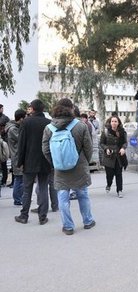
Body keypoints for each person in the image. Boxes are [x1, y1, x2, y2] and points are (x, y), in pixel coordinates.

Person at [42, 98, 95, 235]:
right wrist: (84, 161)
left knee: (63, 196)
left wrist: (56, 163)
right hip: (79, 166)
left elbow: (45, 150)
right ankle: (88, 221)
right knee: (82, 194)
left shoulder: (49, 128)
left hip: (60, 169)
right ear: (71, 109)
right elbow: (88, 148)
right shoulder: (81, 126)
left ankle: (68, 226)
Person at [14, 100, 51, 225]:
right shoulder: (49, 123)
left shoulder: (26, 122)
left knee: (27, 189)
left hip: (29, 161)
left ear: (33, 109)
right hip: (45, 161)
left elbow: (21, 144)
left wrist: (19, 162)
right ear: (42, 109)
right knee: (43, 188)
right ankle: (42, 217)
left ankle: (24, 215)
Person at [100, 115, 127, 198]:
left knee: (119, 174)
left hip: (119, 156)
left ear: (118, 123)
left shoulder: (122, 132)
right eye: (112, 121)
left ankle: (119, 190)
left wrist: (123, 148)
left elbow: (125, 142)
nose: (114, 123)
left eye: (115, 121)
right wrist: (106, 149)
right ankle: (109, 184)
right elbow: (101, 143)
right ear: (110, 122)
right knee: (109, 174)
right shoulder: (105, 132)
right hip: (109, 156)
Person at [5, 109, 26, 205]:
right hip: (17, 157)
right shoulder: (13, 129)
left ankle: (20, 197)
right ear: (21, 118)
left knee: (20, 178)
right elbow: (21, 139)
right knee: (19, 178)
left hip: (17, 156)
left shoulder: (15, 127)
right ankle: (17, 199)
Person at [0, 104, 10, 186]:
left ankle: (4, 180)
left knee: (3, 162)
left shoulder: (5, 118)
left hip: (2, 142)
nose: (2, 110)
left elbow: (7, 128)